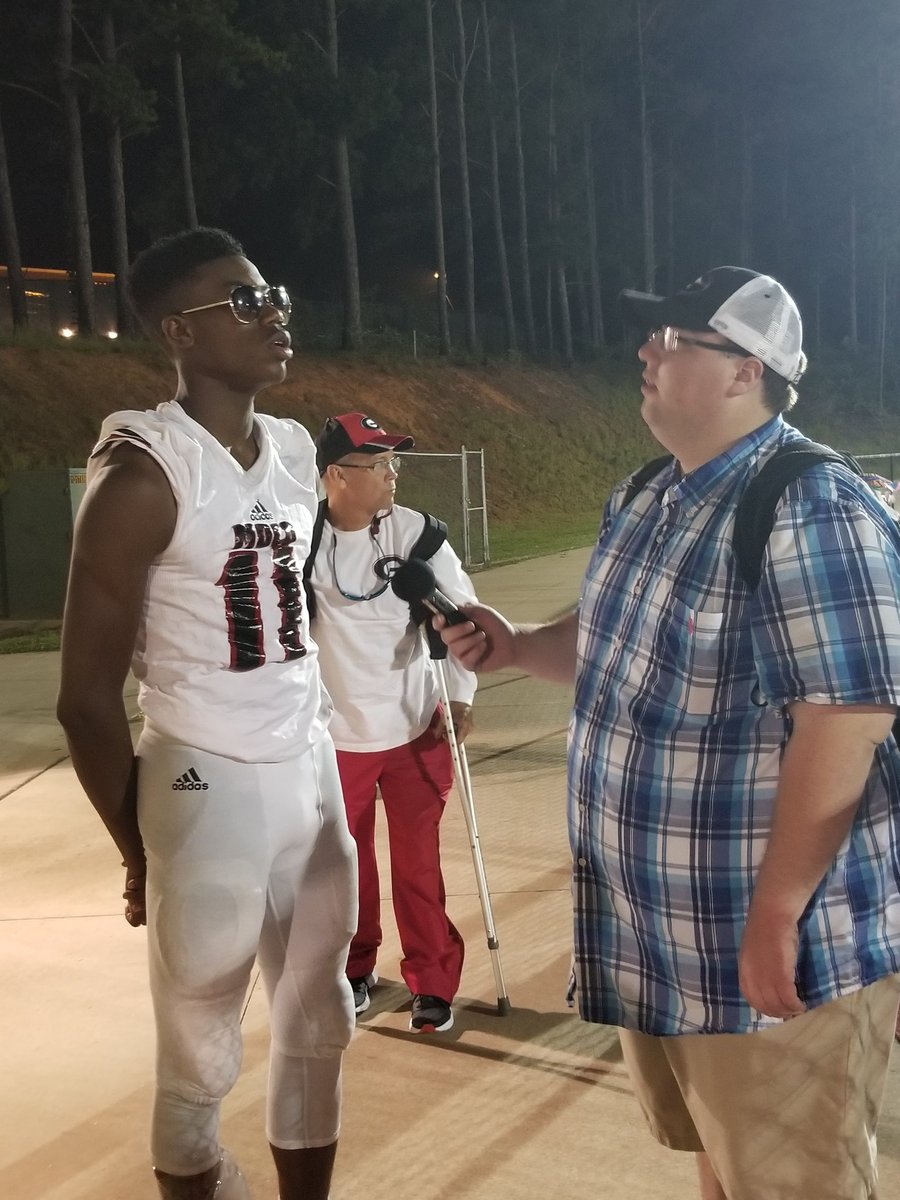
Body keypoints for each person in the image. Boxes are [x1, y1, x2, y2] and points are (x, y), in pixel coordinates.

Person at [437, 267, 900, 1199]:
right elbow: (608, 644)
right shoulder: (649, 494)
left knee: (796, 1179)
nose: (647, 351)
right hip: (662, 934)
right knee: (724, 1164)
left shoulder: (812, 507)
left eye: (677, 338)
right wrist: (521, 647)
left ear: (746, 371)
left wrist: (777, 915)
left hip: (763, 941)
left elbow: (845, 722)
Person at [56, 227, 358, 1200]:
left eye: (271, 292)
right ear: (180, 332)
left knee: (322, 1023)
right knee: (199, 1057)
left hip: (307, 764)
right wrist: (138, 845)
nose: (271, 311)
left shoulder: (299, 450)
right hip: (204, 772)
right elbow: (83, 700)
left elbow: (287, 612)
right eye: (242, 300)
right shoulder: (143, 476)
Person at [305, 411, 477, 1034]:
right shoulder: (302, 540)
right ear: (335, 475)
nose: (391, 473)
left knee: (418, 865)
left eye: (391, 462)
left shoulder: (418, 536)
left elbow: (461, 616)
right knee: (344, 867)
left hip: (413, 729)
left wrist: (460, 696)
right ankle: (354, 970)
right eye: (376, 464)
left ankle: (432, 982)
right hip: (333, 738)